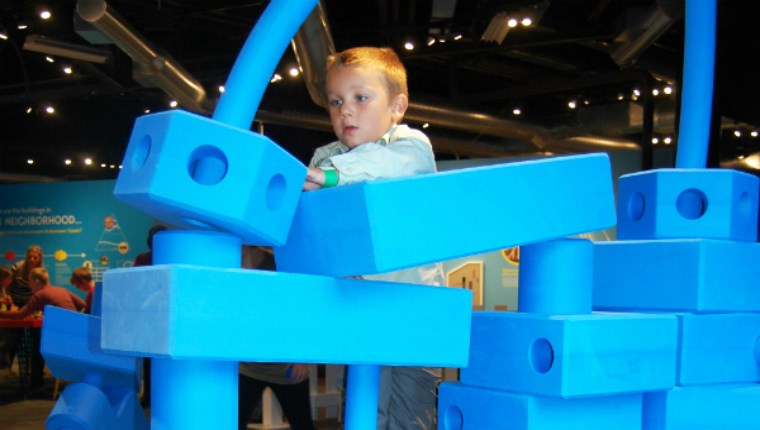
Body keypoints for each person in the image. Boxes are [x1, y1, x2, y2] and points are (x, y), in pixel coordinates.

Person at [302, 46, 445, 430]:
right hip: (361, 305)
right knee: (366, 409)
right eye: (335, 101)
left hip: (414, 308)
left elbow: (389, 165)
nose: (345, 110)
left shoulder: (409, 143)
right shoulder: (327, 156)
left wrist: (329, 177)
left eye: (361, 98)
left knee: (410, 413)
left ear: (397, 106)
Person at [239, 246, 317, 430]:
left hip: (285, 365)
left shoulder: (281, 265)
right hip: (247, 365)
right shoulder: (230, 267)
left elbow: (304, 312)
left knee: (303, 425)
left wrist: (302, 356)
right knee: (232, 423)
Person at [0, 267, 86, 392]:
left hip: (60, 340)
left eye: (29, 281)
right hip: (74, 337)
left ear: (36, 281)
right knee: (39, 341)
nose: (29, 285)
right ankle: (38, 381)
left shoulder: (39, 295)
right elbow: (82, 305)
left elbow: (20, 315)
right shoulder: (61, 289)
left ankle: (35, 384)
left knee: (38, 347)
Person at [133, 224, 167, 407]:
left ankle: (151, 396)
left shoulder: (142, 258)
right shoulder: (169, 257)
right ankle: (154, 396)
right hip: (156, 316)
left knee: (150, 360)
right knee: (153, 359)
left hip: (151, 316)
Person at [0, 266, 17, 379]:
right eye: (8, 278)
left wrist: (10, 304)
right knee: (6, 342)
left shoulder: (4, 290)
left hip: (4, 321)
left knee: (12, 339)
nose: (10, 281)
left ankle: (6, 367)